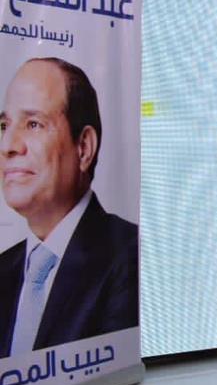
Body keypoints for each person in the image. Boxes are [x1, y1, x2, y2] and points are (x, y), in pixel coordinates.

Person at [0, 58, 138, 357]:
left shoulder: (129, 257)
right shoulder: (4, 269)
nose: (8, 145)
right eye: (4, 125)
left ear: (84, 147)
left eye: (33, 124)